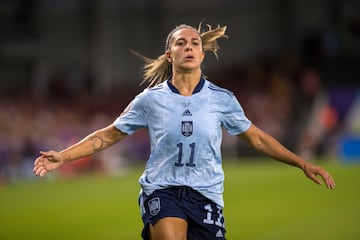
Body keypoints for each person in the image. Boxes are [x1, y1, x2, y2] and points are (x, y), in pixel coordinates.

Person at [34, 23, 336, 240]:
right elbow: (109, 134)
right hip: (163, 189)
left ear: (203, 55)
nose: (188, 46)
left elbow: (256, 137)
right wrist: (63, 156)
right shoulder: (151, 100)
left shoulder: (222, 99)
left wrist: (303, 163)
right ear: (169, 55)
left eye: (194, 43)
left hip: (207, 195)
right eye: (181, 42)